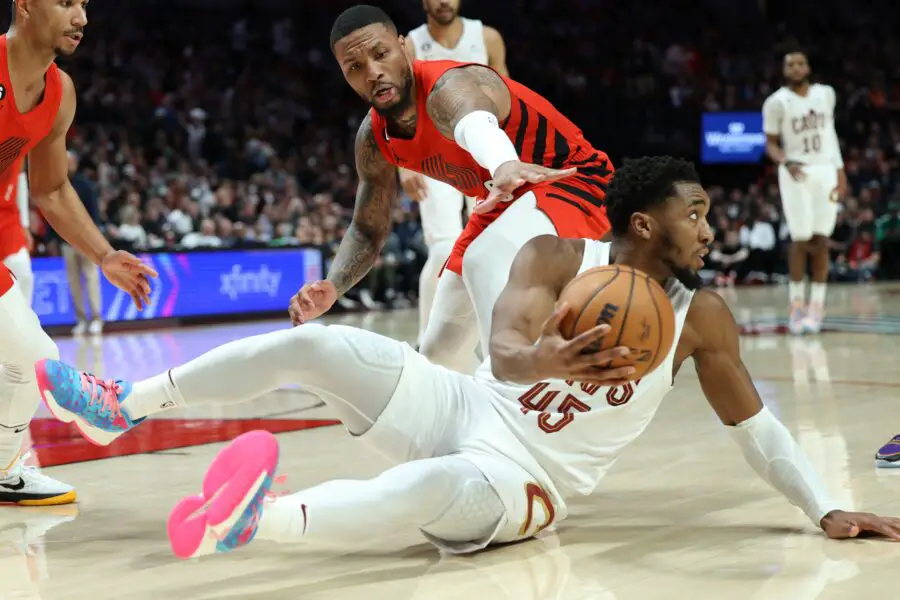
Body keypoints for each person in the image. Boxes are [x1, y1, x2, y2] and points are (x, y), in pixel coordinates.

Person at [38, 156, 900, 558]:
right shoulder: (558, 259)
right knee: (319, 342)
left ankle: (245, 524)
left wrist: (823, 505)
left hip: (533, 486)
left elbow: (755, 428)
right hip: (468, 410)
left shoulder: (704, 318)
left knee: (427, 492)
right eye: (699, 213)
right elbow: (505, 351)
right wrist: (548, 361)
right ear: (644, 224)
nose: (711, 228)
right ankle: (125, 402)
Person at [290, 5, 613, 374]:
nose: (373, 72)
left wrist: (504, 162)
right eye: (355, 68)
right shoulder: (373, 138)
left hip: (569, 178)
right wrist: (334, 286)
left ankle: (518, 386)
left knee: (483, 261)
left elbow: (474, 122)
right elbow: (367, 229)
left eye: (380, 54)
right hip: (502, 198)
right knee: (440, 351)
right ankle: (482, 402)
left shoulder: (446, 85)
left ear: (404, 47)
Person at [0, 0, 156, 505]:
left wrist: (104, 254)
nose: (82, 18)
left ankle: (3, 469)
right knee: (34, 354)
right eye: (66, 2)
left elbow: (51, 190)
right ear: (24, 5)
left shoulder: (60, 92)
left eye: (84, 5)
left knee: (29, 359)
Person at [403, 0, 509, 351]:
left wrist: (510, 157)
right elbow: (401, 106)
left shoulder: (487, 37)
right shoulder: (414, 44)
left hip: (482, 152)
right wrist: (403, 164)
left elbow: (509, 99)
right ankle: (426, 343)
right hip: (434, 155)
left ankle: (488, 340)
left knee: (496, 246)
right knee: (442, 250)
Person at [762, 51, 847, 335]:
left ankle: (817, 306)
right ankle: (796, 304)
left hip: (825, 170)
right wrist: (785, 161)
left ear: (808, 67)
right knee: (800, 240)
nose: (796, 68)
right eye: (790, 64)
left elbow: (830, 134)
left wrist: (840, 170)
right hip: (795, 172)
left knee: (822, 239)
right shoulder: (775, 102)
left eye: (800, 63)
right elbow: (771, 144)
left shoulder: (826, 94)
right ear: (784, 69)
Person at [62, 151, 104, 336]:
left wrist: (92, 239)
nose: (65, 165)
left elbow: (94, 214)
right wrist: (52, 239)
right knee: (73, 282)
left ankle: (96, 319)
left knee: (91, 278)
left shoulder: (85, 185)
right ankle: (81, 320)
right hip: (65, 241)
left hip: (85, 241)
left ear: (76, 164)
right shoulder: (56, 185)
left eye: (68, 162)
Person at [0, 160, 34, 304]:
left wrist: (25, 225)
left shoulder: (15, 142)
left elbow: (20, 179)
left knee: (23, 274)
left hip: (9, 220)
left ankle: (24, 323)